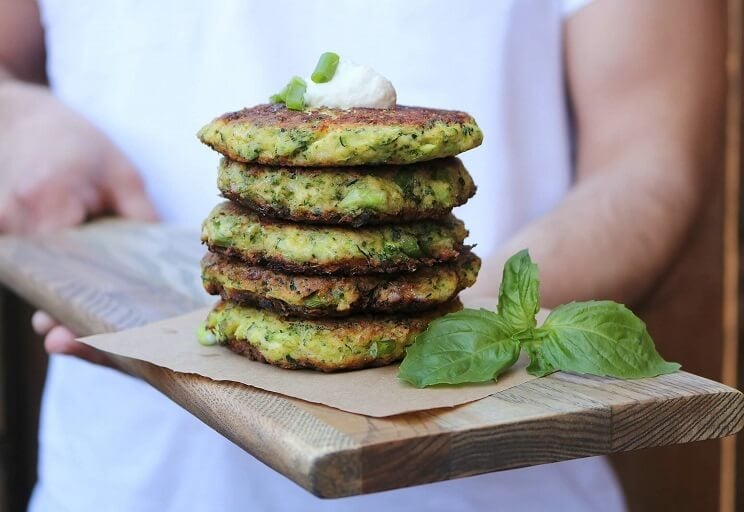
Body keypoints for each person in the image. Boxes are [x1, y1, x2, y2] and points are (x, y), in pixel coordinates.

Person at [0, 0, 725, 510]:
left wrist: (463, 328)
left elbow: (648, 165)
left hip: (499, 487)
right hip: (124, 479)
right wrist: (17, 112)